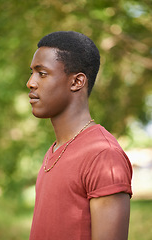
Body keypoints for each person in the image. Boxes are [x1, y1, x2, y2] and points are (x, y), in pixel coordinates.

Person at [27, 31, 132, 240]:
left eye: (42, 73)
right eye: (31, 73)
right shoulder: (56, 149)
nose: (30, 82)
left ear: (77, 82)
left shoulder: (103, 155)